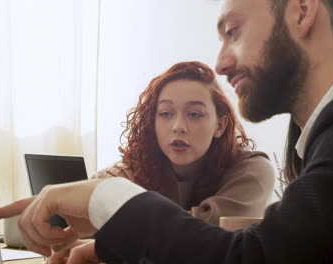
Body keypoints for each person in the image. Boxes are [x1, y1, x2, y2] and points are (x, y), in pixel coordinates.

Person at [0, 0, 333, 263]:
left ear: (302, 11)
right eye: (165, 114)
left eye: (233, 32)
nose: (221, 63)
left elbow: (247, 259)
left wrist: (105, 198)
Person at [46, 61, 275, 263]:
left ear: (220, 125)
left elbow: (208, 238)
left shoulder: (252, 171)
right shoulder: (135, 168)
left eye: (194, 114)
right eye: (165, 113)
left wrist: (110, 245)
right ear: (151, 123)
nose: (178, 126)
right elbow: (96, 205)